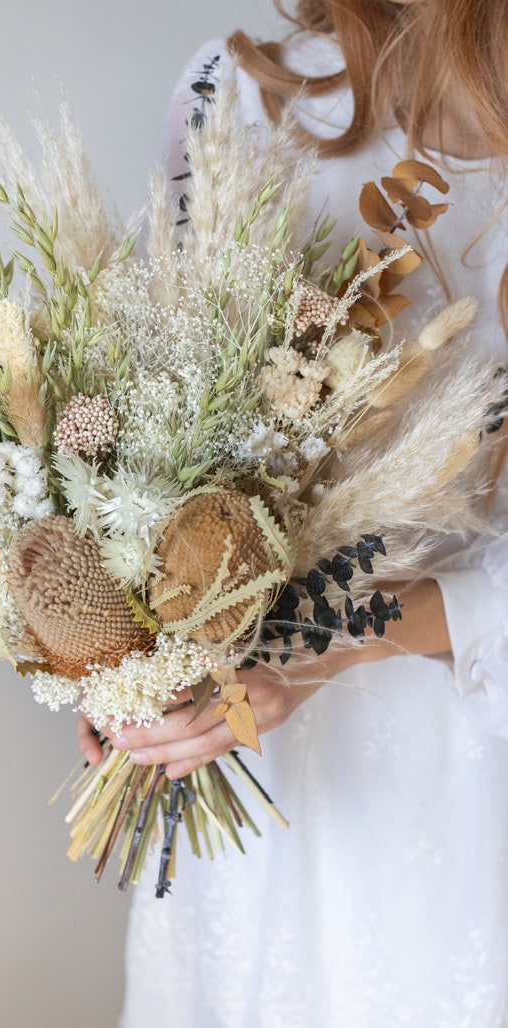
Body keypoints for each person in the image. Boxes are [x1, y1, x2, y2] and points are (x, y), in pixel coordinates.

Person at [78, 2, 508, 1025]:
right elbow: (148, 428)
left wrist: (316, 653)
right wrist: (123, 653)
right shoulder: (237, 90)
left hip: (457, 803)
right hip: (250, 787)